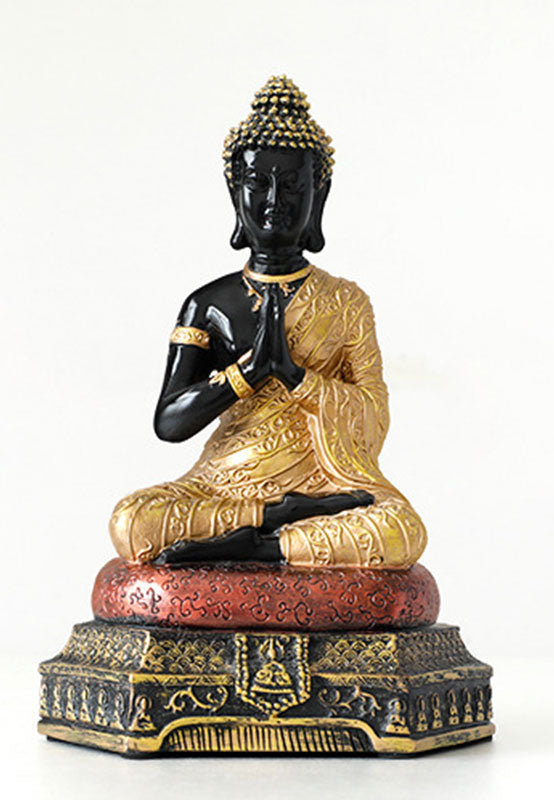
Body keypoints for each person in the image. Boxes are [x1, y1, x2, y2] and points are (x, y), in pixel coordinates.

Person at [109, 76, 426, 568]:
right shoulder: (207, 304)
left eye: (294, 186)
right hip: (224, 485)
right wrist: (250, 371)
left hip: (325, 486)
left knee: (400, 530)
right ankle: (273, 518)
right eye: (259, 184)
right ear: (235, 192)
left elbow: (374, 416)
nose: (276, 200)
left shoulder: (346, 302)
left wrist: (295, 376)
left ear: (319, 196)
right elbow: (169, 422)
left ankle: (260, 546)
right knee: (132, 522)